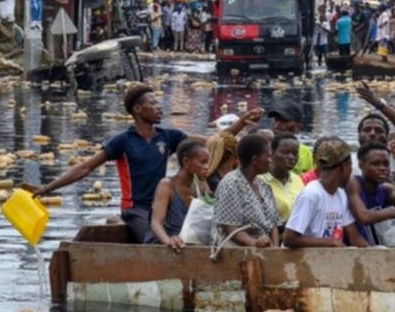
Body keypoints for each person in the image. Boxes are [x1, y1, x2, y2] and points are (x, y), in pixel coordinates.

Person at [25, 86, 260, 243]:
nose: (159, 107)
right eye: (152, 103)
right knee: (155, 241)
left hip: (163, 205)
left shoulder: (167, 136)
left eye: (158, 103)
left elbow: (215, 142)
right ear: (137, 109)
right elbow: (85, 167)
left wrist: (241, 123)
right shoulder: (122, 141)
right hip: (136, 208)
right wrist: (47, 189)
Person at [283, 139, 370, 248]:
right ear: (344, 167)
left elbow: (354, 237)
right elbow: (289, 238)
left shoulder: (341, 194)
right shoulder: (311, 194)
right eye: (350, 167)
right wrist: (329, 242)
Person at [347, 141, 395, 245]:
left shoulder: (386, 189)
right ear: (361, 166)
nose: (382, 168)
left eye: (386, 164)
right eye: (375, 164)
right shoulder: (354, 183)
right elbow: (363, 217)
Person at [213, 133, 280, 248]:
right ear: (255, 159)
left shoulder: (263, 186)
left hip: (266, 250)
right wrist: (256, 244)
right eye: (268, 156)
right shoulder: (231, 183)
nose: (271, 160)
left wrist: (274, 249)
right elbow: (231, 228)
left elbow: (273, 224)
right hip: (238, 252)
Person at [149, 139, 211, 249]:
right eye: (203, 162)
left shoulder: (202, 186)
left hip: (190, 243)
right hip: (166, 245)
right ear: (186, 162)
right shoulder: (167, 185)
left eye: (207, 162)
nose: (207, 167)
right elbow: (156, 223)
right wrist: (168, 241)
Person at [260, 132, 306, 224]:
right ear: (272, 154)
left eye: (295, 153)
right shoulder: (260, 181)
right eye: (285, 152)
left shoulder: (297, 179)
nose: (291, 157)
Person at [268, 101, 315, 174]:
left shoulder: (306, 153)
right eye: (276, 120)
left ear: (298, 126)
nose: (277, 125)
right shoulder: (264, 150)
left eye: (284, 120)